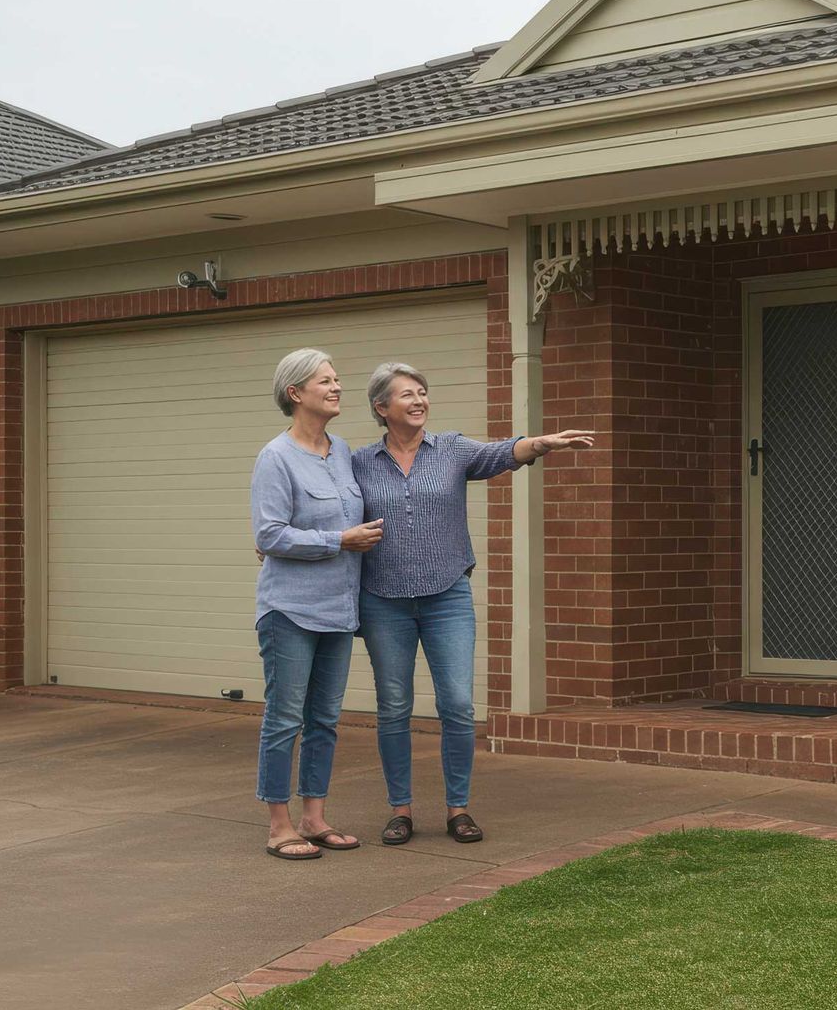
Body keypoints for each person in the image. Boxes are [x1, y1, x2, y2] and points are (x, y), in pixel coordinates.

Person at [353, 361, 593, 846]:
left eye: (423, 391)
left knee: (458, 705)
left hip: (447, 598)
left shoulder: (453, 450)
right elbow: (328, 503)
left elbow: (502, 453)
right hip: (384, 602)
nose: (419, 400)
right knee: (394, 706)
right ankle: (400, 810)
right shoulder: (357, 463)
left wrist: (540, 444)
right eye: (407, 394)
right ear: (382, 408)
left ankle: (458, 809)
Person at [251, 349, 384, 859]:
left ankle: (314, 817)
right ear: (295, 393)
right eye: (325, 381)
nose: (336, 388)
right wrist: (336, 541)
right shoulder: (276, 457)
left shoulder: (344, 449)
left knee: (325, 718)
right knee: (285, 718)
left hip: (338, 610)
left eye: (337, 380)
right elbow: (268, 533)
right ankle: (279, 825)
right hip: (290, 611)